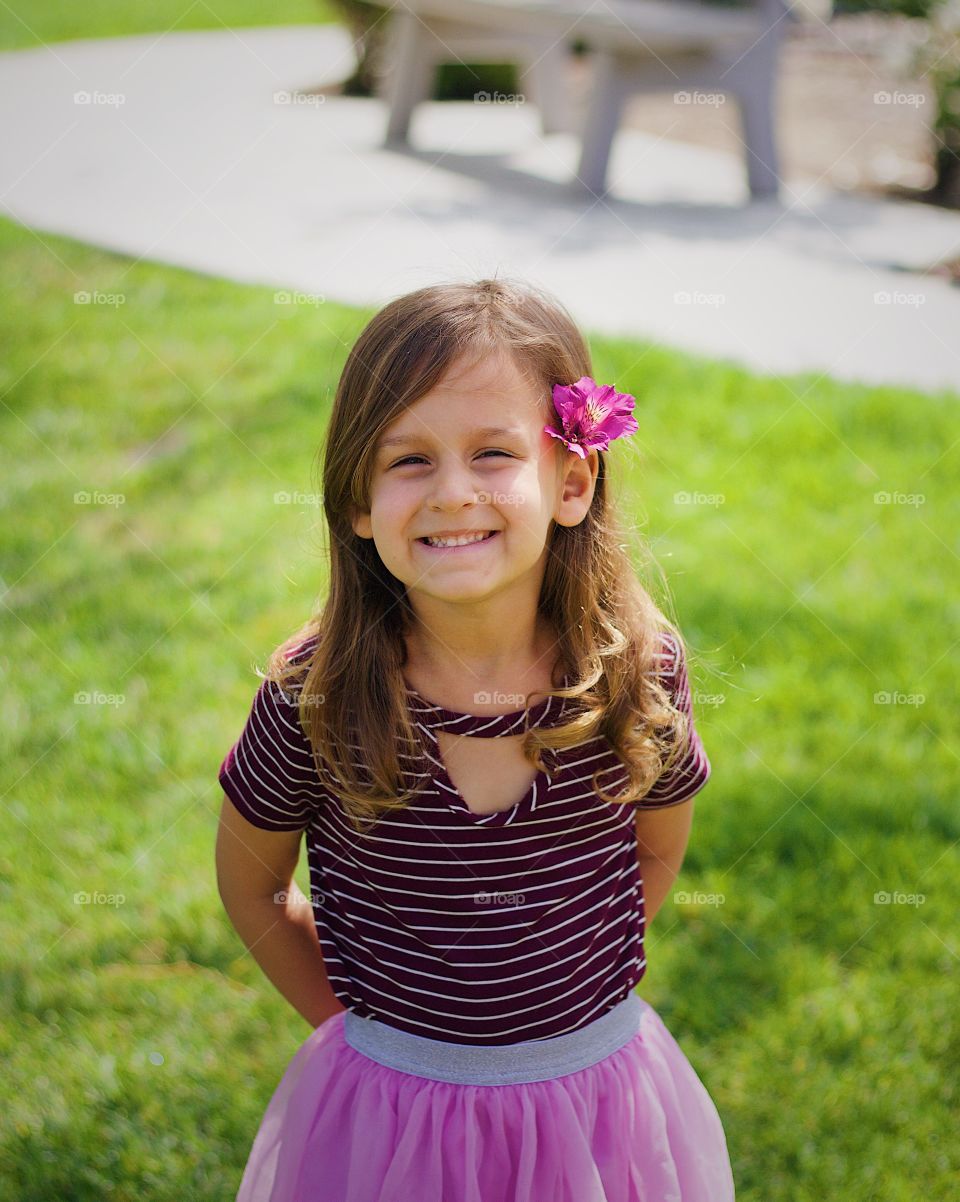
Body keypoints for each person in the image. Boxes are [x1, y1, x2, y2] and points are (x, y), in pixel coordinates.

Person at [214, 276, 735, 1201]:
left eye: (493, 453)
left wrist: (558, 1015)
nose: (453, 493)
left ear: (571, 480)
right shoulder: (318, 694)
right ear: (358, 505)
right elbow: (252, 883)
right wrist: (361, 1041)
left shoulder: (634, 671)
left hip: (594, 1111)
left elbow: (654, 849)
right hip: (390, 1124)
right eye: (407, 461)